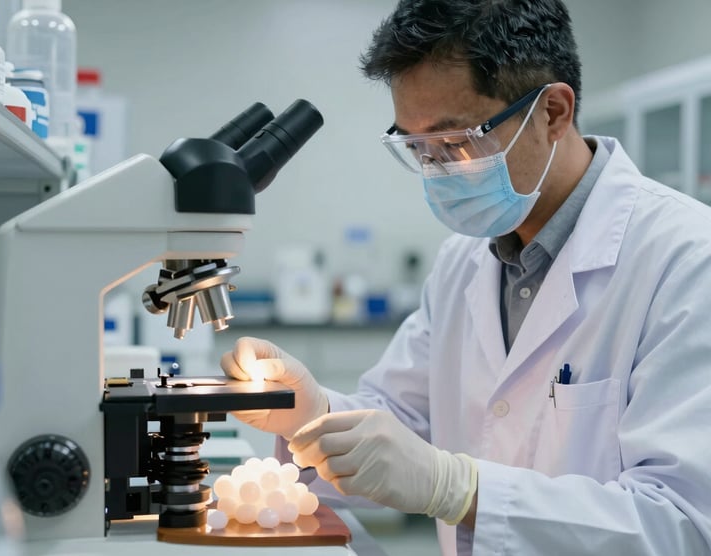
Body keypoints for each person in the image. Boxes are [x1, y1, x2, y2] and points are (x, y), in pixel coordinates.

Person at [221, 1, 711, 554]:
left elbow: (682, 524)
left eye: (454, 142)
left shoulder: (687, 259)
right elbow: (401, 426)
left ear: (552, 112)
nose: (436, 169)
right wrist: (311, 413)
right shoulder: (464, 262)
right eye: (416, 146)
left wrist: (459, 488)